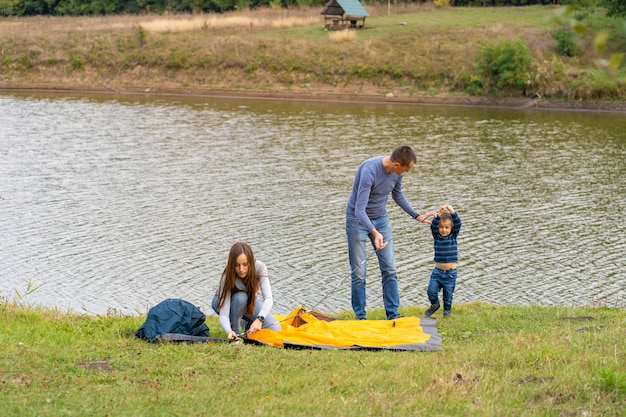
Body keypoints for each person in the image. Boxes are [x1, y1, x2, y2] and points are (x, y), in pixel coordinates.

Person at [346, 145, 432, 320]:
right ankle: (360, 317)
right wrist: (375, 232)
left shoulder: (396, 173)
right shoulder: (369, 170)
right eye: (406, 170)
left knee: (390, 269)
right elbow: (359, 210)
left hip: (381, 218)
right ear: (397, 165)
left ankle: (393, 315)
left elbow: (397, 195)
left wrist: (416, 215)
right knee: (359, 273)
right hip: (357, 221)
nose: (405, 173)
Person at [212, 242, 281, 340]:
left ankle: (247, 323)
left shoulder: (260, 268)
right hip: (223, 302)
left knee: (276, 330)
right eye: (237, 265)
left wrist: (259, 319)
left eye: (245, 264)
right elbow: (224, 313)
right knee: (241, 297)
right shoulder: (227, 276)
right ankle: (235, 332)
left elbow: (268, 299)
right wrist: (228, 331)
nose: (241, 269)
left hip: (248, 301)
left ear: (251, 262)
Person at [424, 203, 462, 318]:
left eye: (446, 227)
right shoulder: (437, 236)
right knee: (431, 291)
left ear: (451, 228)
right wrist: (439, 214)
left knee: (448, 297)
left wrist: (452, 211)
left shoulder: (453, 236)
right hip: (437, 272)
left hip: (450, 274)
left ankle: (447, 315)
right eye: (441, 227)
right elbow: (433, 226)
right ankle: (435, 304)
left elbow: (458, 223)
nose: (443, 230)